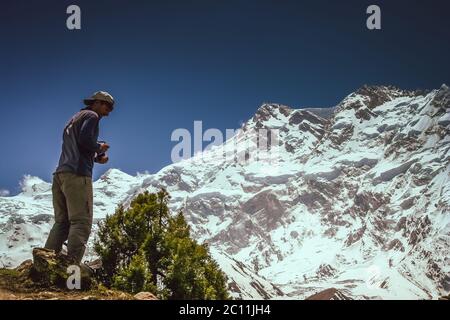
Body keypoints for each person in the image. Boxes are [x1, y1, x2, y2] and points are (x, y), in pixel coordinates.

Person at [44, 91, 114, 263]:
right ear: (96, 103)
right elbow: (84, 140)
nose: (109, 111)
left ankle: (44, 263)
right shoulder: (92, 115)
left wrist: (96, 158)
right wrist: (99, 147)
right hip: (77, 175)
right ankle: (71, 269)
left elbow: (78, 146)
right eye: (107, 105)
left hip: (61, 173)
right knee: (81, 222)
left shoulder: (75, 118)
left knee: (62, 223)